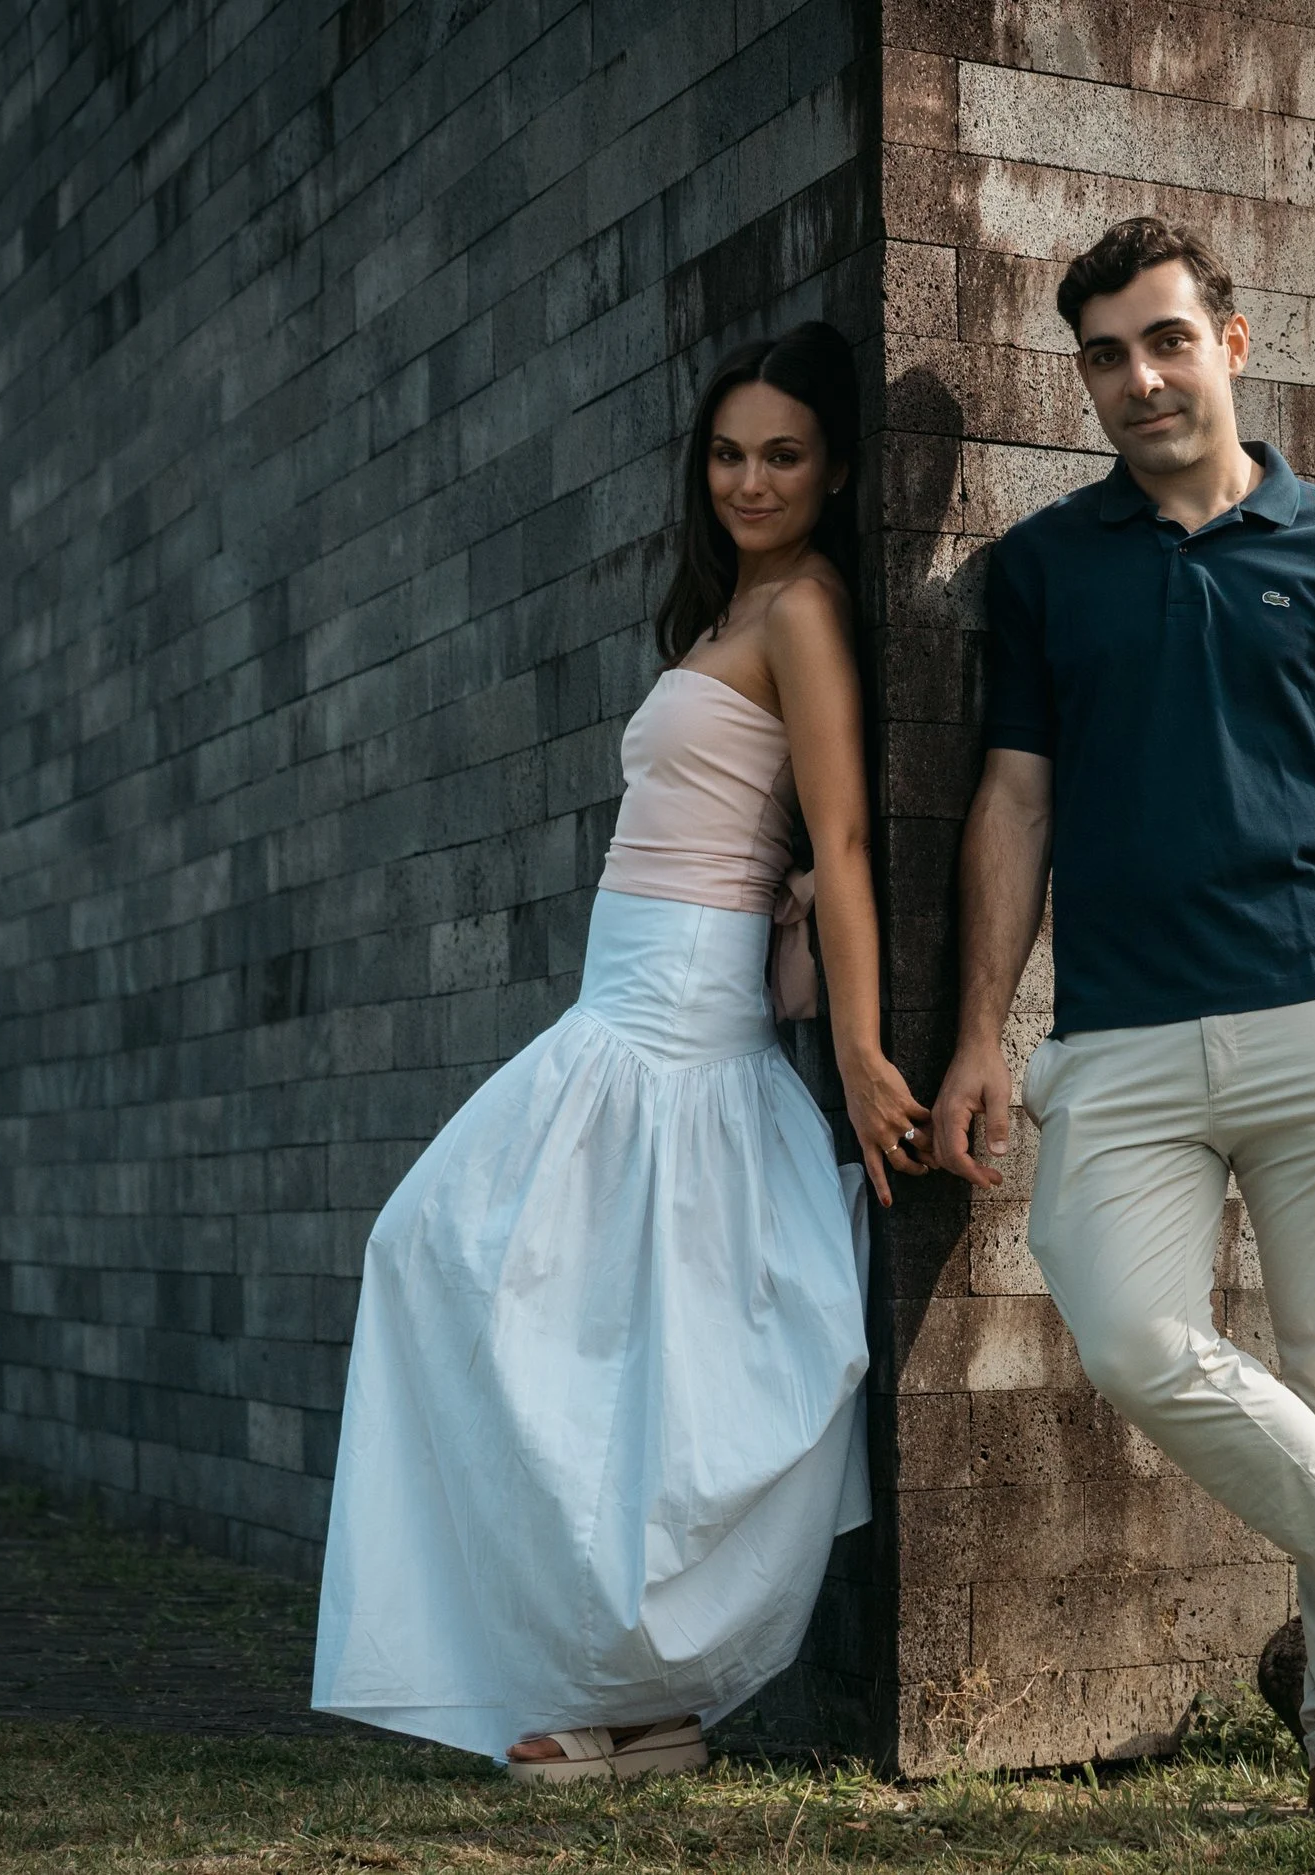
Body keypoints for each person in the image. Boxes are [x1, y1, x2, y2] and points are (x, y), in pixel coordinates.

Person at [929, 218, 1315, 1833]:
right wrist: (982, 1030)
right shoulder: (1046, 568)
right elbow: (1014, 799)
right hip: (1119, 1038)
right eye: (1106, 354)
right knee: (1128, 1331)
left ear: (1233, 343)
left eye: (1166, 339)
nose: (1139, 377)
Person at [312, 321, 928, 1781]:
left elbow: (841, 836)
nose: (749, 479)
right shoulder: (731, 612)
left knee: (618, 1351)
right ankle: (636, 1705)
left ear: (834, 470)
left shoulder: (805, 615)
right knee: (491, 1284)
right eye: (727, 452)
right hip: (618, 1014)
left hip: (679, 1028)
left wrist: (850, 1044)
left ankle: (618, 1689)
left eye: (782, 454)